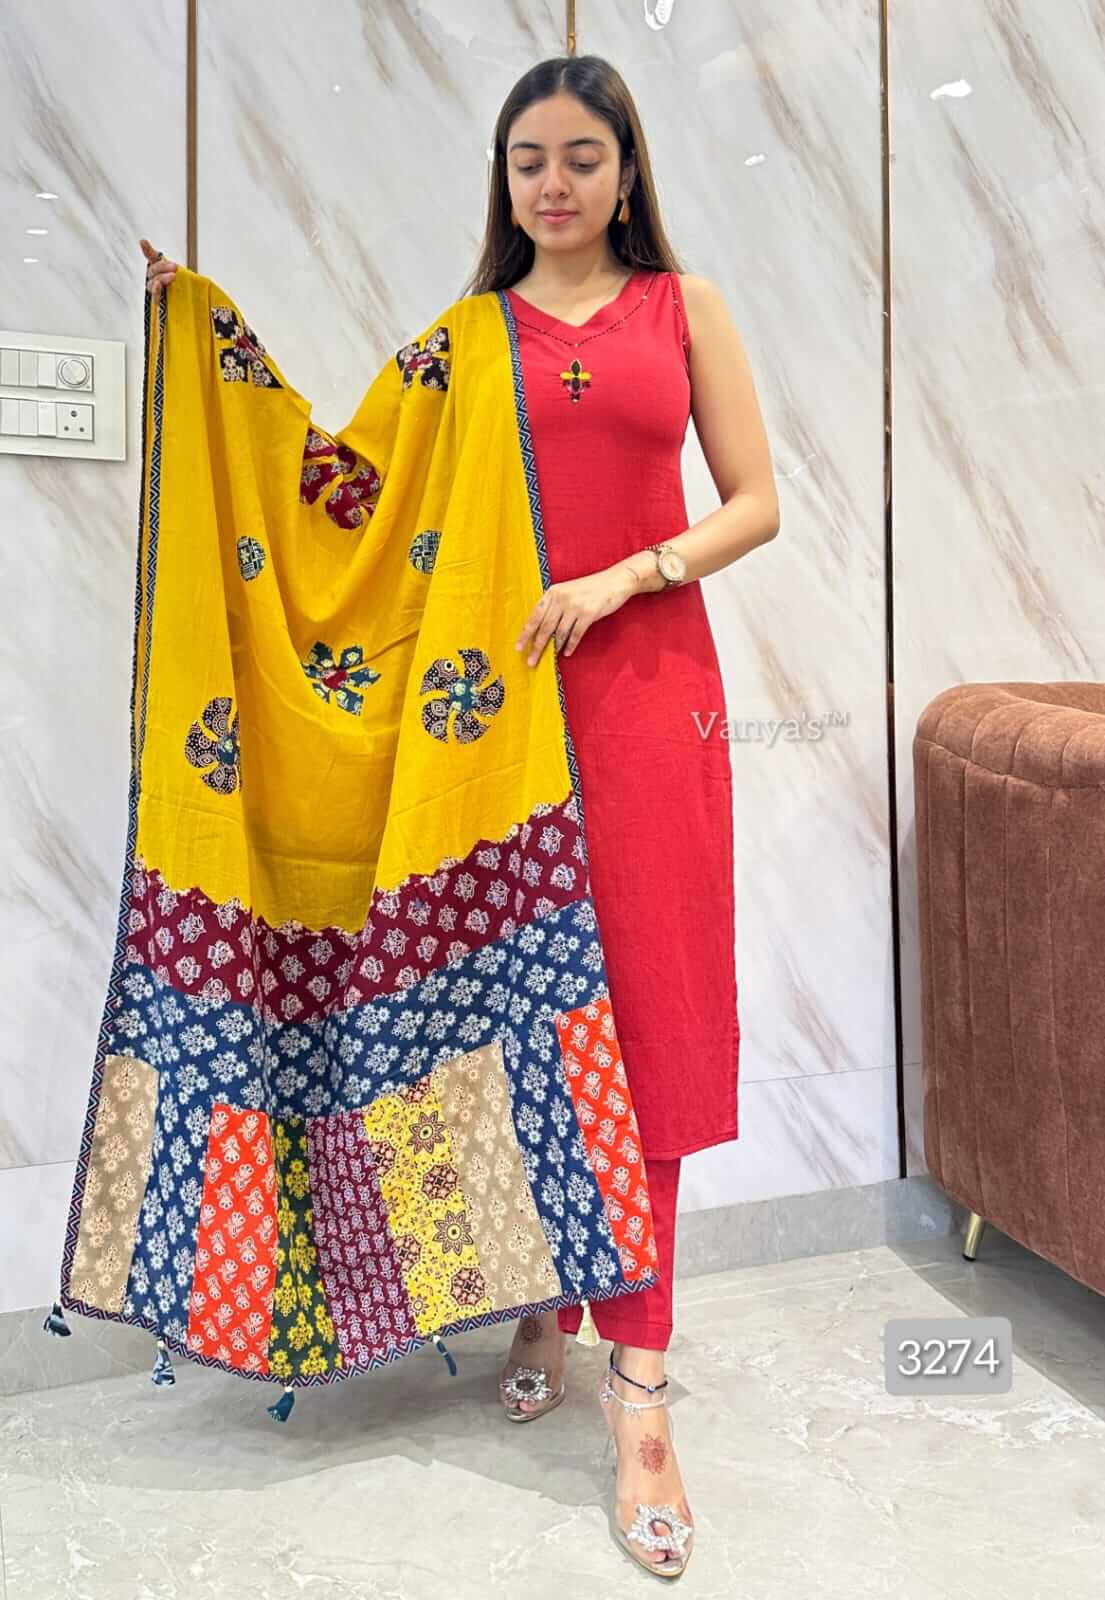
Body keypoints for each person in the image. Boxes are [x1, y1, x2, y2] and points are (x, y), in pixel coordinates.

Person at [142, 51, 778, 1582]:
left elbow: (755, 502)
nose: (552, 184)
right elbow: (342, 489)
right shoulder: (466, 338)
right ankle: (538, 1302)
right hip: (490, 719)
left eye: (580, 156)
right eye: (525, 160)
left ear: (626, 169)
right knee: (516, 1019)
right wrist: (209, 345)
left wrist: (622, 578)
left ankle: (638, 1391)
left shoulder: (682, 311)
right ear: (503, 180)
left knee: (649, 1020)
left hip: (648, 708)